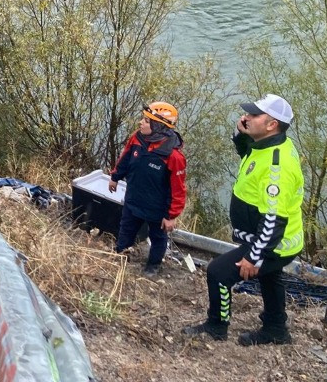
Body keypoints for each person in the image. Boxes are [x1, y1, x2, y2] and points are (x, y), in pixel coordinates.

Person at [184, 93, 304, 346]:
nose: (246, 117)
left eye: (254, 115)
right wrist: (241, 135)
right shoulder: (268, 143)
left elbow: (273, 220)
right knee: (270, 277)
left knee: (218, 273)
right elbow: (248, 154)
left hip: (275, 243)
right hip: (272, 239)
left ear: (272, 124)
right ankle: (276, 329)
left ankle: (217, 326)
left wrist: (253, 256)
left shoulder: (277, 169)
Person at [107, 101, 187, 277]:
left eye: (146, 121)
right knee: (126, 229)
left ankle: (153, 265)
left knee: (158, 238)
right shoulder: (137, 138)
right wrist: (115, 177)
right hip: (133, 198)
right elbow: (125, 159)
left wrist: (171, 216)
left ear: (158, 126)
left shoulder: (174, 156)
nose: (140, 123)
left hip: (157, 209)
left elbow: (178, 190)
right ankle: (121, 254)